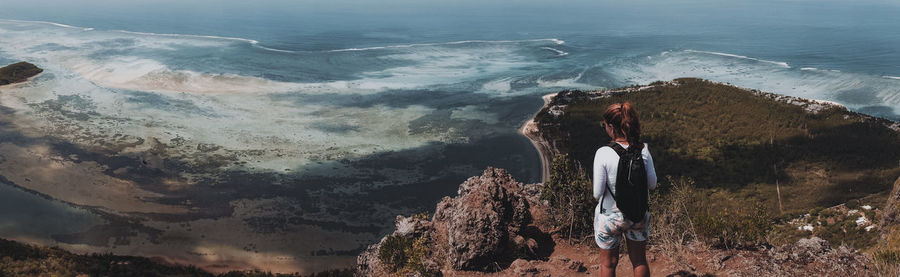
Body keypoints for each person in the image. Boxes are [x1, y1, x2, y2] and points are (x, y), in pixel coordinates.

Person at [593, 102, 657, 277]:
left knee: (608, 265)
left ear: (611, 127)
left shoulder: (603, 153)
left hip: (610, 217)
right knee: (639, 261)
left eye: (604, 125)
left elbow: (597, 193)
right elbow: (652, 185)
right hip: (637, 214)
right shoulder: (643, 150)